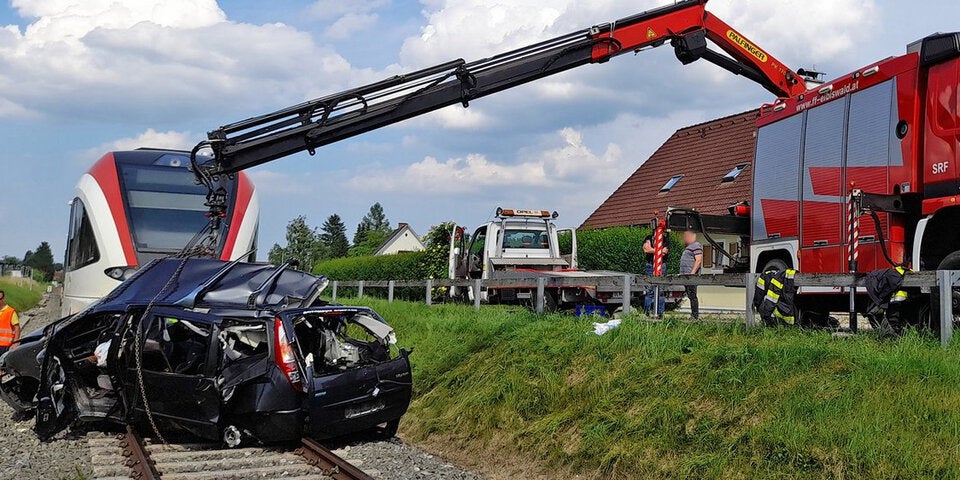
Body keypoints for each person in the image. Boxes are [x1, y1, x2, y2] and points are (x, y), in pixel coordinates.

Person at [642, 233, 668, 317]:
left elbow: (664, 253)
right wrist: (659, 250)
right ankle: (647, 313)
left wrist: (652, 249)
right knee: (649, 289)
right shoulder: (648, 238)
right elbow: (646, 250)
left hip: (661, 265)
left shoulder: (664, 239)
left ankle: (660, 313)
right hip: (650, 264)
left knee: (661, 290)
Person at [680, 230, 703, 319]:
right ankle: (693, 314)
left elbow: (698, 260)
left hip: (691, 276)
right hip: (686, 275)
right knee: (690, 295)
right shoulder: (688, 247)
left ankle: (695, 315)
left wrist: (692, 273)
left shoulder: (696, 245)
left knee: (692, 295)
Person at [0, 290, 20, 355]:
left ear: (3, 299)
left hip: (5, 346)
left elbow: (17, 328)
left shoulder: (10, 312)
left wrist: (16, 342)